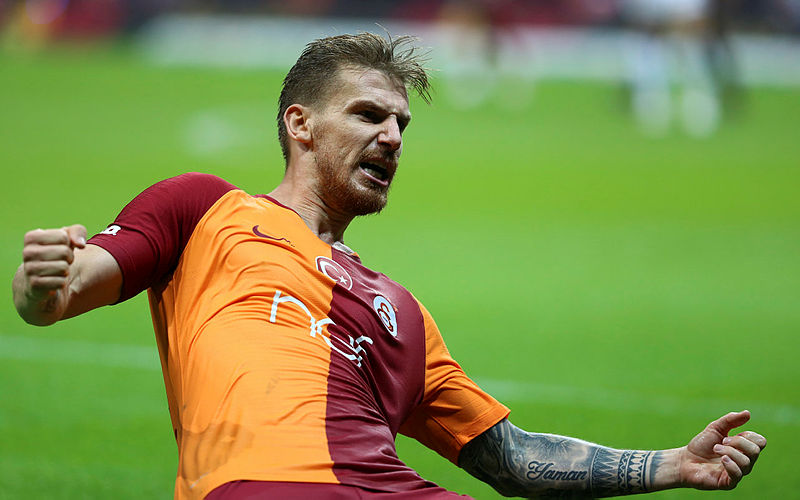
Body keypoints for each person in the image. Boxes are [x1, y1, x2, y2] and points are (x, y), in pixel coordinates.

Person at [12, 32, 766, 499]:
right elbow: (57, 294)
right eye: (369, 115)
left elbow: (512, 459)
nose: (394, 137)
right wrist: (43, 280)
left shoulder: (400, 312)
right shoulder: (206, 208)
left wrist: (672, 464)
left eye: (401, 123)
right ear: (300, 124)